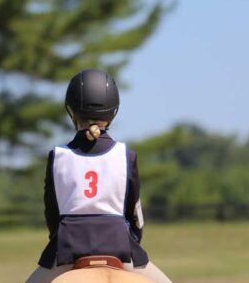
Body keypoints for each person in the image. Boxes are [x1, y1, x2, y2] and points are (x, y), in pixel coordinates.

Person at [26, 69, 172, 283]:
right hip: (121, 249)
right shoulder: (126, 155)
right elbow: (136, 219)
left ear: (70, 110)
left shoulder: (57, 156)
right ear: (113, 112)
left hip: (66, 250)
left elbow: (52, 216)